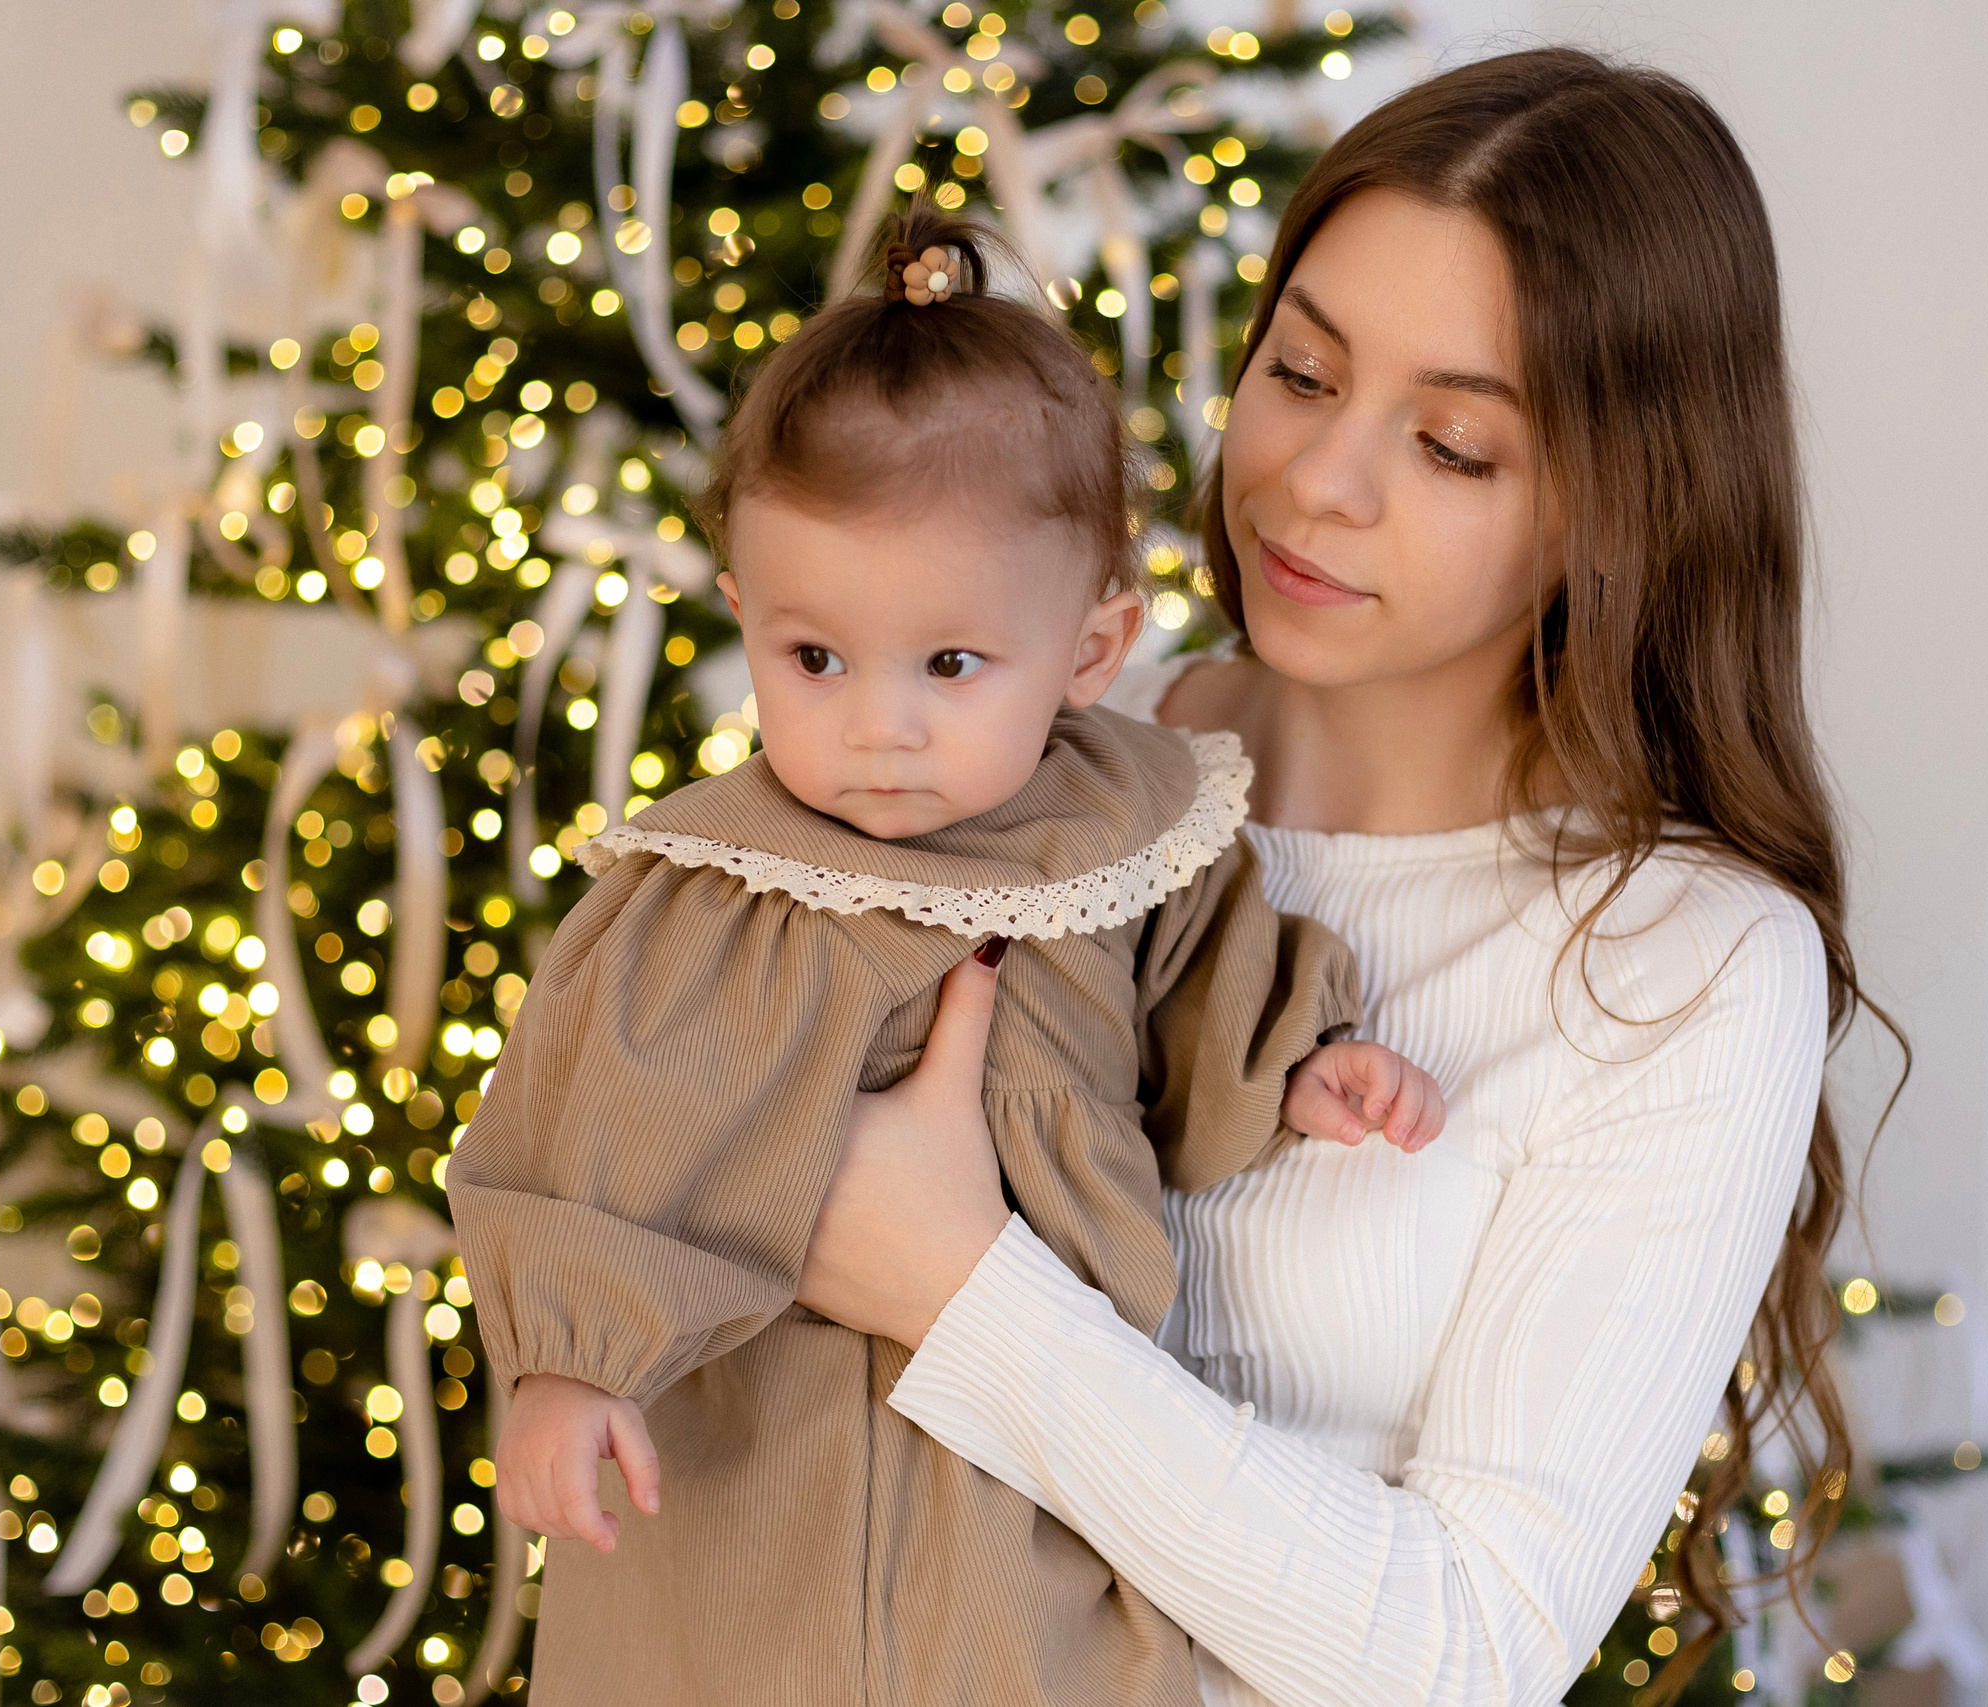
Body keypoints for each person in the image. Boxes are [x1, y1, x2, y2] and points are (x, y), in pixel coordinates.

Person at [793, 49, 1900, 1707]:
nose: (1320, 480)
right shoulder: (1037, 751)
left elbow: (1472, 1652)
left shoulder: (1682, 961)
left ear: (1621, 505)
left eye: (1451, 446)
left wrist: (957, 1289)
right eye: (1302, 374)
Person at [446, 205, 1446, 1706]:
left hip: (1025, 1481)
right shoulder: (727, 887)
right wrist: (567, 1366)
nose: (878, 726)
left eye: (951, 665)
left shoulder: (1127, 828)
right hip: (761, 1498)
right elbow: (596, 1124)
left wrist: (1298, 1064)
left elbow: (1200, 986)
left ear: (1093, 651)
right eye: (815, 658)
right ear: (745, 617)